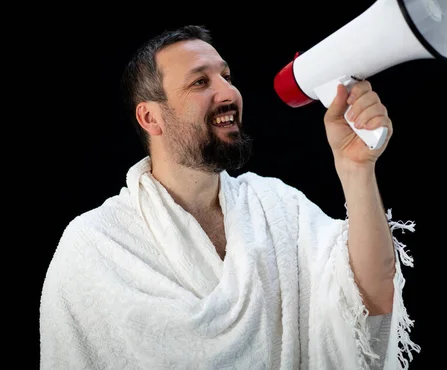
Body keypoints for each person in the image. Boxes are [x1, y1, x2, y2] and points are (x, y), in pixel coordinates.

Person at [39, 25, 420, 369]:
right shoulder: (95, 245)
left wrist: (356, 169)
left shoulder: (277, 206)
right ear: (150, 118)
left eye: (226, 75)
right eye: (200, 83)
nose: (228, 92)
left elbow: (367, 304)